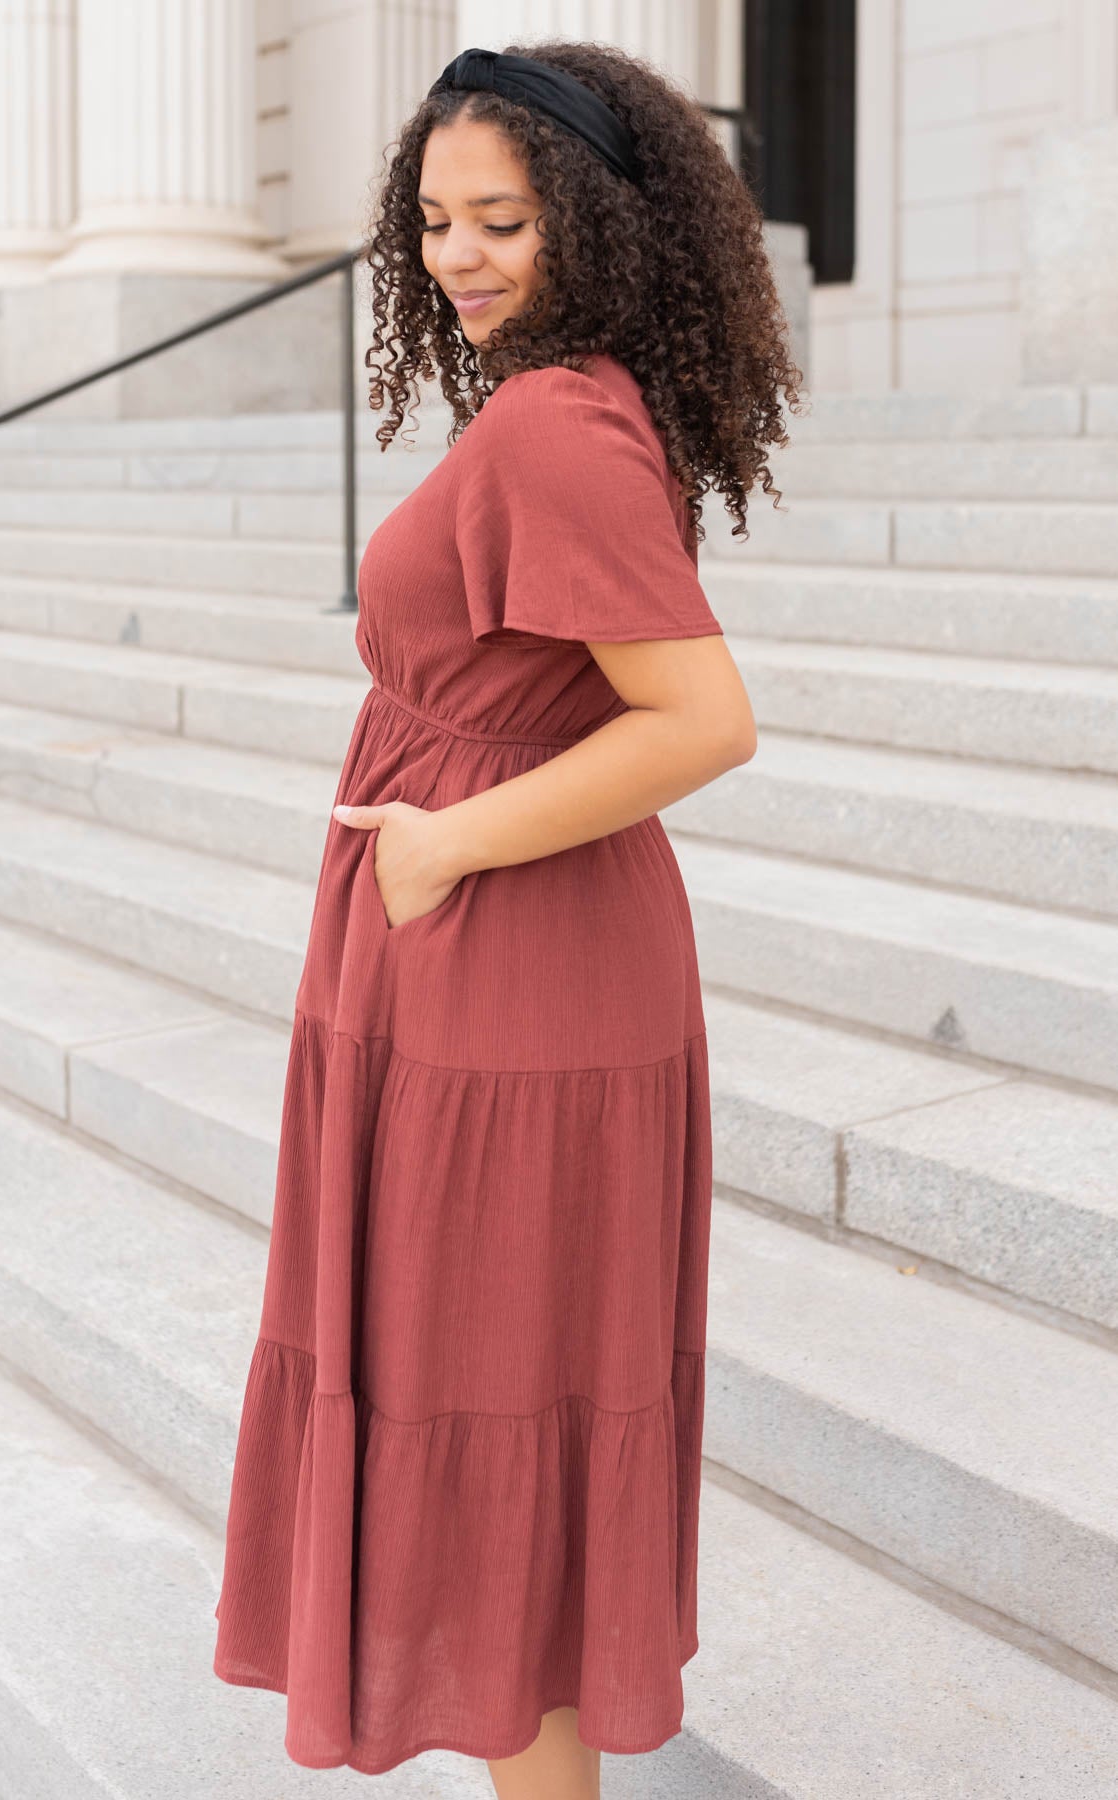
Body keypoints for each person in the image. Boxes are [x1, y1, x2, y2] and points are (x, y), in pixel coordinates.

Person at [212, 39, 801, 1798]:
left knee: (497, 1427)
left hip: (508, 974)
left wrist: (443, 852)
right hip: (487, 961)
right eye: (436, 221)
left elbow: (703, 719)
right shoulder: (561, 397)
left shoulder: (555, 423)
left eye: (504, 223)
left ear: (598, 228)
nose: (458, 255)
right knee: (506, 1425)